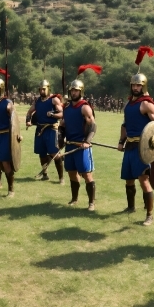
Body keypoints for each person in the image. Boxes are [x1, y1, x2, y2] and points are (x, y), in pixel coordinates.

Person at [118, 47, 154, 226]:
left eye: (138, 85)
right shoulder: (129, 103)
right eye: (133, 85)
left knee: (143, 180)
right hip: (129, 146)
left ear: (143, 86)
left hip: (142, 149)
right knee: (128, 180)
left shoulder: (146, 105)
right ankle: (131, 207)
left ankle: (150, 214)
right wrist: (121, 141)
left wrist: (152, 147)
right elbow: (125, 124)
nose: (135, 88)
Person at [60, 66, 101, 210]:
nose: (73, 92)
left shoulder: (85, 107)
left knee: (87, 175)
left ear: (81, 91)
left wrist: (87, 141)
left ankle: (91, 203)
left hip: (82, 146)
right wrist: (60, 137)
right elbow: (63, 125)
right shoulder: (67, 108)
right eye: (72, 90)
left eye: (76, 90)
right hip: (70, 145)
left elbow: (93, 126)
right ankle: (74, 199)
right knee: (72, 173)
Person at [25, 80, 64, 184]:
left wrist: (52, 115)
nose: (42, 91)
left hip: (51, 129)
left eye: (44, 89)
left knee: (55, 153)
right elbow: (29, 112)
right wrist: (28, 121)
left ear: (48, 89)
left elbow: (61, 114)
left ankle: (61, 178)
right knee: (42, 154)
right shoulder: (37, 101)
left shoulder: (54, 100)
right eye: (40, 89)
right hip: (39, 130)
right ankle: (45, 174)